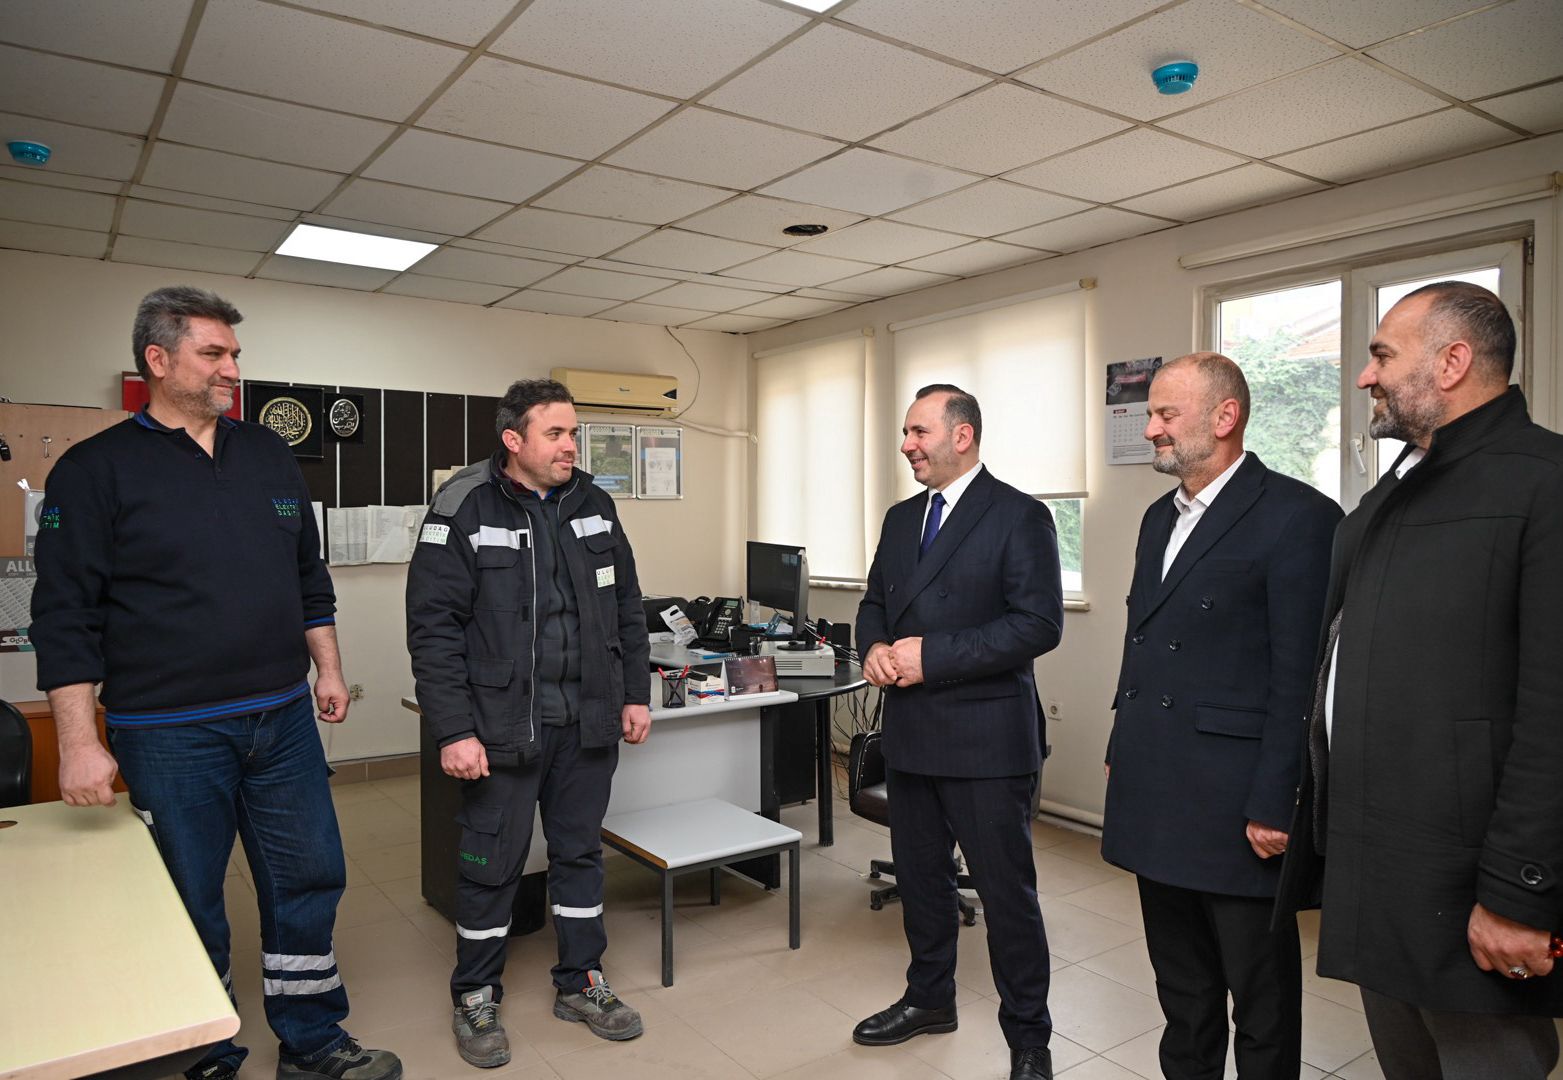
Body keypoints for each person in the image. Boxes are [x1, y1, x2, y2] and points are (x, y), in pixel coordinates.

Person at [30, 286, 401, 1080]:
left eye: (235, 354)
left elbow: (308, 577)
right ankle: (204, 1050)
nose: (233, 368)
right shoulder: (94, 470)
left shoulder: (267, 453)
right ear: (158, 360)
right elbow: (64, 616)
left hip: (282, 717)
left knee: (308, 876)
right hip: (167, 730)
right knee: (187, 894)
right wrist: (78, 743)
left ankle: (311, 1038)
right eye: (214, 353)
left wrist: (329, 670)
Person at [1278, 282, 1563, 1079]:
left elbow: (1552, 715)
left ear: (1451, 361)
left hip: (1472, 882)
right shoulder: (1396, 490)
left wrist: (1517, 894)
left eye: (1380, 356)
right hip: (1377, 866)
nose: (1364, 377)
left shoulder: (1543, 482)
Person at [1102, 353, 1340, 1079]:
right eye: (1150, 413)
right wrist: (1120, 743)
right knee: (1182, 991)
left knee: (1260, 1001)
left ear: (1224, 417)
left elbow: (1300, 678)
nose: (1150, 429)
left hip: (1237, 803)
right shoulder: (1157, 518)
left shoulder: (1298, 518)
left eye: (1165, 414)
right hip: (1155, 782)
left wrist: (1276, 800)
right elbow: (1142, 642)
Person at [406, 378, 651, 1069]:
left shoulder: (593, 504)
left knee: (579, 857)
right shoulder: (463, 504)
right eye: (556, 433)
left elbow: (627, 607)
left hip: (586, 723)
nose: (571, 446)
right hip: (501, 727)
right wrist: (453, 730)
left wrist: (635, 695)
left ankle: (581, 981)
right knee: (491, 867)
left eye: (574, 433)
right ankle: (475, 994)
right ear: (513, 440)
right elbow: (433, 630)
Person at [853, 384, 1064, 1080]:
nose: (907, 445)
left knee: (1006, 899)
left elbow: (1037, 625)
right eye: (906, 433)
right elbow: (874, 604)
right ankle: (928, 999)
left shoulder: (1019, 516)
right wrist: (873, 647)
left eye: (919, 432)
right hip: (912, 736)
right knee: (922, 884)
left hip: (986, 742)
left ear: (962, 435)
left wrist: (931, 657)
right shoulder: (900, 518)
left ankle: (1028, 1038)